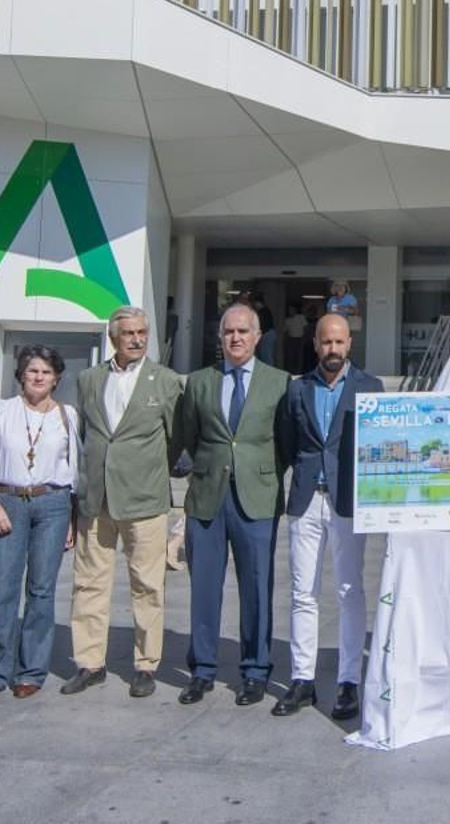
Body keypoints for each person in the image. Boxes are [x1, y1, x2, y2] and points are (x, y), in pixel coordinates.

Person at [65, 306, 184, 698]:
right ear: (113, 337)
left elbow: (176, 438)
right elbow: (84, 434)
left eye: (142, 333)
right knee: (89, 584)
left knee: (147, 585)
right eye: (129, 333)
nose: (137, 339)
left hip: (144, 499)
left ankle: (146, 665)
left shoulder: (164, 381)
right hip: (96, 498)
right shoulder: (89, 379)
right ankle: (89, 662)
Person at [178, 301, 290, 706]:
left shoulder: (279, 383)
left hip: (257, 498)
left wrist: (261, 470)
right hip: (208, 496)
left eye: (244, 331)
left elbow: (286, 442)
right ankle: (202, 669)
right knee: (204, 587)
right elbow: (189, 435)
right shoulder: (199, 382)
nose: (236, 338)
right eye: (229, 332)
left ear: (258, 337)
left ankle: (256, 670)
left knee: (257, 587)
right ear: (220, 337)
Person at [272, 313, 384, 720]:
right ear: (315, 344)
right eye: (326, 342)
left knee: (350, 591)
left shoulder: (370, 388)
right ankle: (302, 679)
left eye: (339, 342)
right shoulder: (297, 389)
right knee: (303, 593)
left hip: (348, 503)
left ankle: (348, 681)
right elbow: (288, 442)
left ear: (349, 343)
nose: (332, 350)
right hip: (306, 500)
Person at [0, 345, 80, 699]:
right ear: (21, 374)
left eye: (46, 372)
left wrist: (73, 520)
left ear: (56, 377)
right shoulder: (2, 411)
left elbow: (75, 472)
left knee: (42, 590)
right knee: (2, 587)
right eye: (32, 371)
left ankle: (31, 670)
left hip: (52, 504)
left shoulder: (67, 415)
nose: (38, 377)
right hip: (10, 501)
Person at [282, 304, 309, 375]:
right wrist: (285, 341)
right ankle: (291, 372)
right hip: (291, 339)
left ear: (295, 310)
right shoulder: (287, 320)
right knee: (290, 356)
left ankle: (298, 372)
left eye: (292, 310)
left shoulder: (301, 317)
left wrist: (305, 338)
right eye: (289, 310)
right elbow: (286, 331)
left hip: (299, 339)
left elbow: (306, 328)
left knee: (299, 356)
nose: (291, 311)